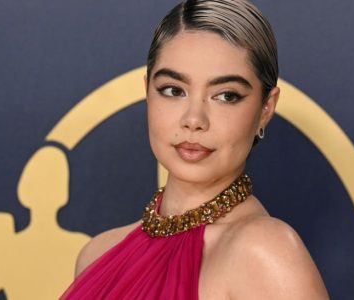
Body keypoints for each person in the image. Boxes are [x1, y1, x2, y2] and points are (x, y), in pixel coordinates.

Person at [61, 0, 329, 299]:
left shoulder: (265, 254)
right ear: (147, 90)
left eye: (226, 95)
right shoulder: (97, 254)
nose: (194, 120)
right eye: (173, 90)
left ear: (266, 108)